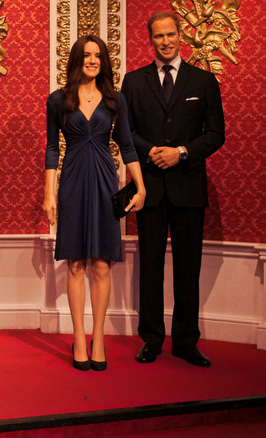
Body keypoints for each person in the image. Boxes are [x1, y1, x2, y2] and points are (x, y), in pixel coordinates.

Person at [122, 11, 225, 368]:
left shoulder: (203, 81)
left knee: (188, 268)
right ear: (149, 40)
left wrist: (181, 153)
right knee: (149, 268)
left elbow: (215, 135)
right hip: (148, 188)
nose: (164, 41)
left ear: (181, 36)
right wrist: (150, 151)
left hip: (189, 189)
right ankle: (151, 339)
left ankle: (185, 340)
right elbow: (125, 131)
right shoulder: (133, 82)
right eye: (158, 36)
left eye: (170, 35)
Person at [43, 35, 146, 371]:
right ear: (76, 59)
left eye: (97, 55)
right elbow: (52, 149)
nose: (92, 60)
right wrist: (49, 192)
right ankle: (77, 336)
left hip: (104, 180)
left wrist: (139, 187)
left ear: (104, 60)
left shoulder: (116, 99)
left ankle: (98, 338)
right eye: (86, 55)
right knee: (75, 262)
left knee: (101, 263)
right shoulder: (58, 99)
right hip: (71, 180)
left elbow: (127, 146)